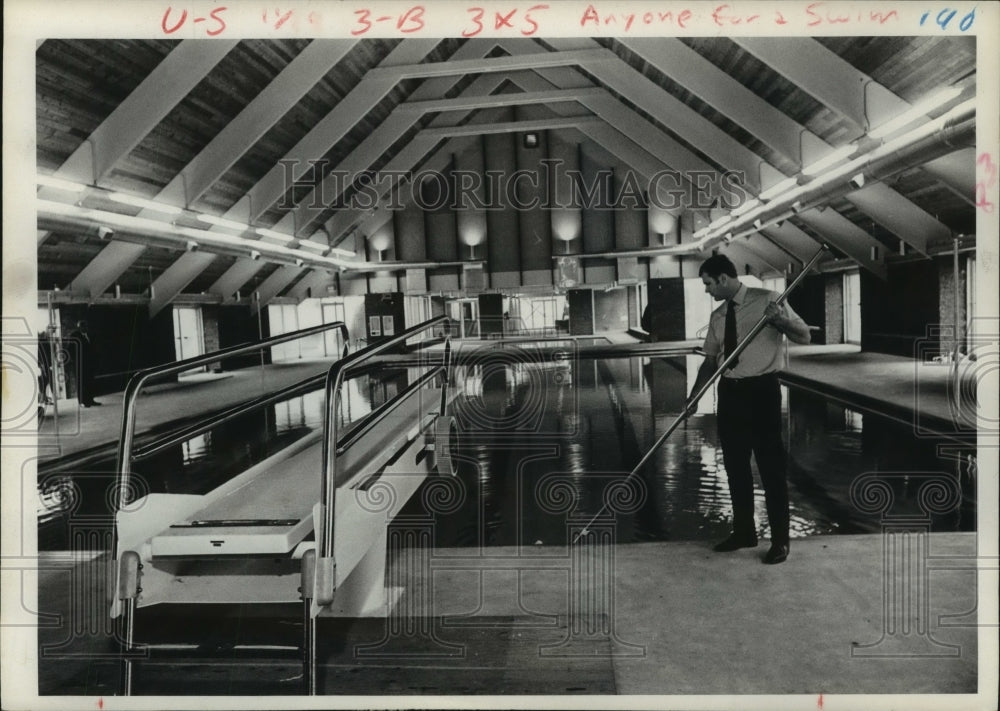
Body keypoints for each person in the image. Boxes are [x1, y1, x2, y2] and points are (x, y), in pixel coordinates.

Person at [687, 255, 810, 565]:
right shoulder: (718, 316)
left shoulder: (768, 299)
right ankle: (744, 532)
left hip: (762, 392)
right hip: (730, 395)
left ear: (723, 279)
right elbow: (710, 360)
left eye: (708, 284)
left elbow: (803, 335)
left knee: (770, 468)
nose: (707, 290)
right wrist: (694, 396)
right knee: (735, 467)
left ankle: (780, 541)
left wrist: (779, 320)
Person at [69, 320, 101, 407]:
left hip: (89, 364)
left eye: (86, 326)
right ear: (79, 328)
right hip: (80, 364)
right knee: (81, 383)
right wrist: (76, 361)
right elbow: (70, 350)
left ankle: (90, 400)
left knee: (89, 382)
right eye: (83, 326)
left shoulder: (89, 335)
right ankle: (82, 402)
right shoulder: (74, 336)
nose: (85, 328)